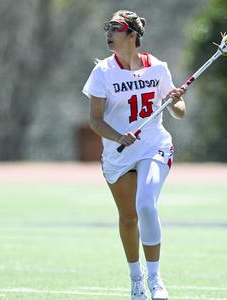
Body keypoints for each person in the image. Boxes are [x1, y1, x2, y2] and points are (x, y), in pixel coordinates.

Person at [82, 10, 186, 300]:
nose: (108, 32)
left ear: (131, 34)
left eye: (115, 28)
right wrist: (118, 136)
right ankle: (136, 279)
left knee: (146, 205)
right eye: (108, 27)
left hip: (154, 147)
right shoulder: (102, 71)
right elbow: (95, 120)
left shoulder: (158, 68)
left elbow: (178, 112)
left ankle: (155, 279)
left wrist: (174, 101)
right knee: (128, 218)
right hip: (118, 154)